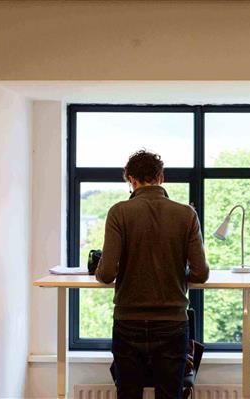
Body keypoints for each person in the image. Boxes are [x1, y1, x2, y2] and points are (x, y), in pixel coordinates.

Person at [96, 149, 209, 399]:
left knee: (128, 394)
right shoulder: (186, 214)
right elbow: (201, 273)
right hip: (172, 323)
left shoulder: (119, 212)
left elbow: (105, 274)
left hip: (129, 322)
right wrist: (176, 271)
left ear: (131, 180)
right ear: (161, 178)